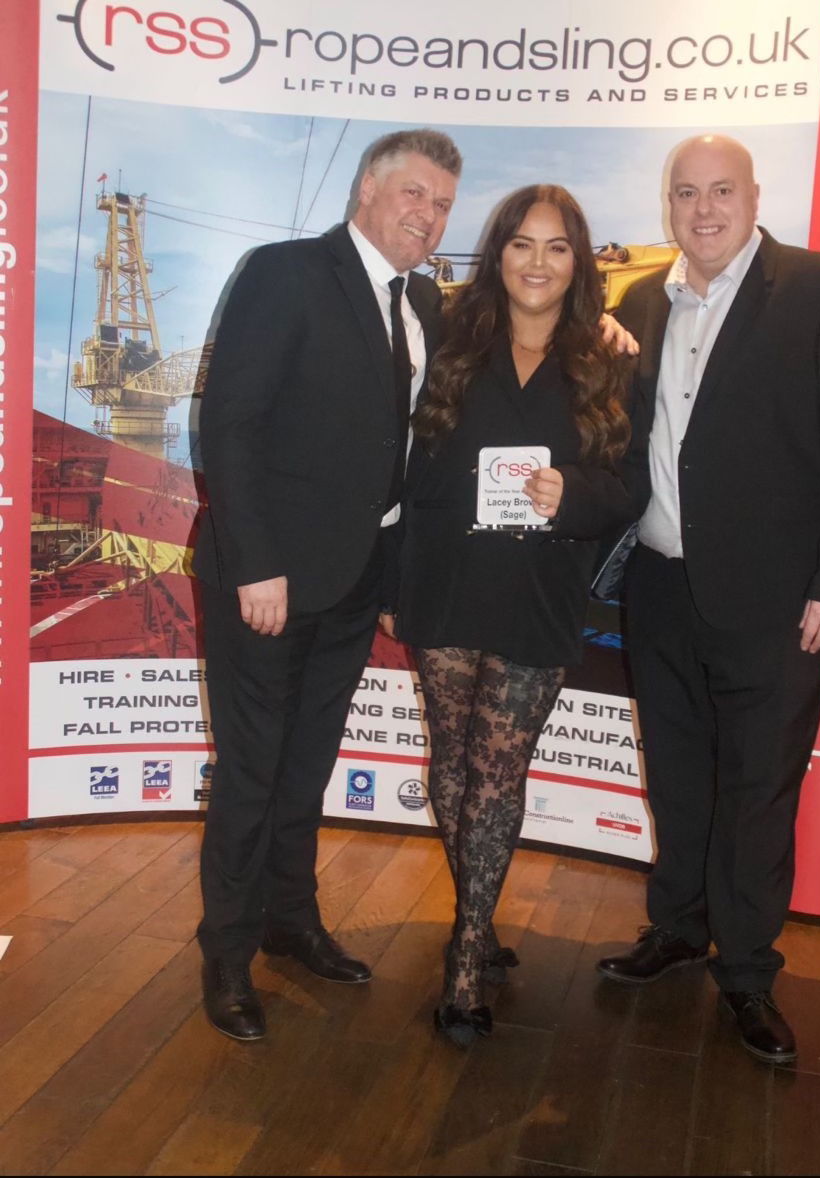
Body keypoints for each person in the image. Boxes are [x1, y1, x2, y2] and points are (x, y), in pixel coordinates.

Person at [597, 134, 820, 1064]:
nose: (703, 209)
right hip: (659, 585)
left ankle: (749, 974)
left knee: (757, 790)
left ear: (753, 195)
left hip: (776, 603)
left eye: (720, 190)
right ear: (667, 205)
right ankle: (678, 927)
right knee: (677, 775)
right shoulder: (640, 301)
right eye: (685, 193)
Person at [193, 129, 462, 1041]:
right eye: (415, 195)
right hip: (266, 581)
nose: (426, 217)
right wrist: (255, 563)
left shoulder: (423, 298)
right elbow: (229, 425)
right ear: (366, 189)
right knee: (252, 769)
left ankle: (289, 921)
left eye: (442, 206)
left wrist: (606, 325)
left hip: (355, 579)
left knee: (306, 764)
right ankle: (226, 955)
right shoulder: (285, 271)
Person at [395, 185, 647, 1046]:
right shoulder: (448, 342)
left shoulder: (608, 360)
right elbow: (411, 467)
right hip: (445, 579)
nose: (536, 263)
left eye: (556, 247)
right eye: (520, 245)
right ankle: (480, 913)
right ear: (496, 254)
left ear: (578, 262)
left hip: (538, 591)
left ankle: (465, 960)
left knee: (499, 773)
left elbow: (629, 489)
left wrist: (570, 494)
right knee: (453, 764)